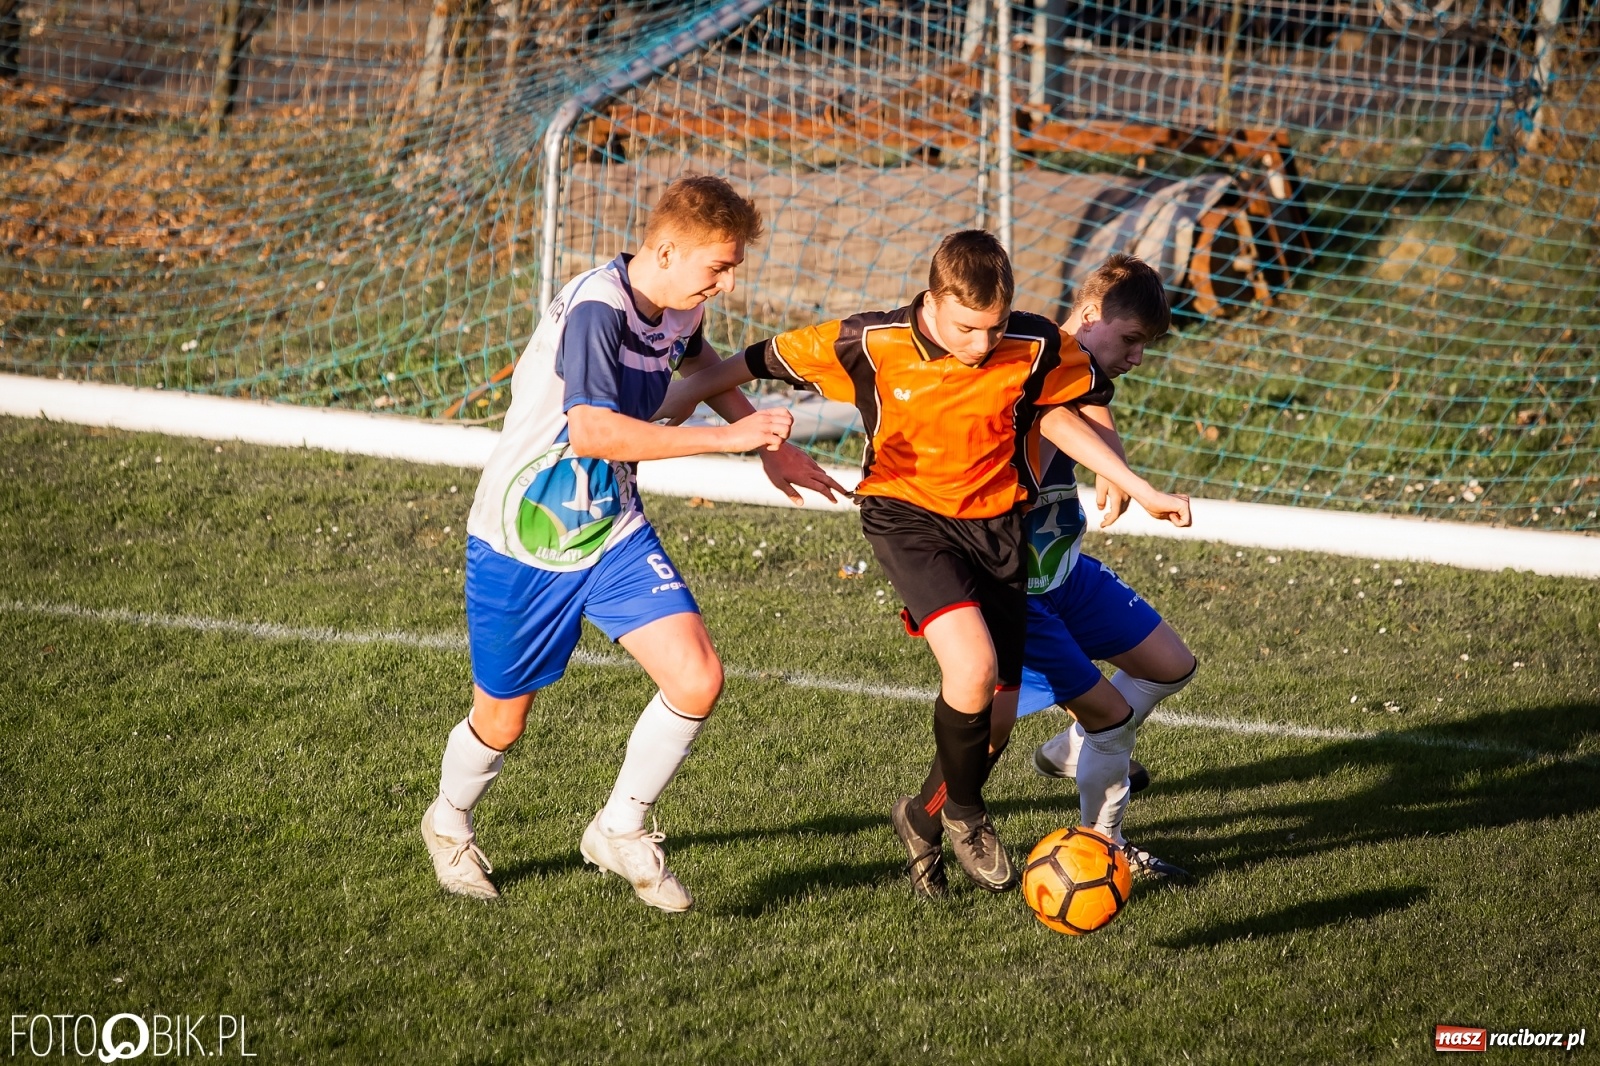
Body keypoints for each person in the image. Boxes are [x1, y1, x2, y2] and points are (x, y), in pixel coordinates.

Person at [656, 230, 1144, 897]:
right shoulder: (870, 340)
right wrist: (690, 393)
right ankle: (967, 817)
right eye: (968, 329)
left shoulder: (1027, 344)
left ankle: (921, 819)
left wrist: (1135, 483)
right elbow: (762, 358)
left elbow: (1064, 408)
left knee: (995, 713)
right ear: (934, 302)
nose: (981, 345)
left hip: (998, 530)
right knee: (969, 669)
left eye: (994, 327)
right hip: (906, 518)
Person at [421, 174, 844, 912]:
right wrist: (730, 438)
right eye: (718, 266)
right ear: (668, 249)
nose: (723, 283)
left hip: (611, 525)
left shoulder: (675, 304)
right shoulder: (598, 309)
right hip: (525, 536)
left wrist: (766, 446)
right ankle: (447, 821)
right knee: (501, 719)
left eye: (731, 268)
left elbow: (702, 369)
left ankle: (619, 828)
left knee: (696, 678)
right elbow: (591, 431)